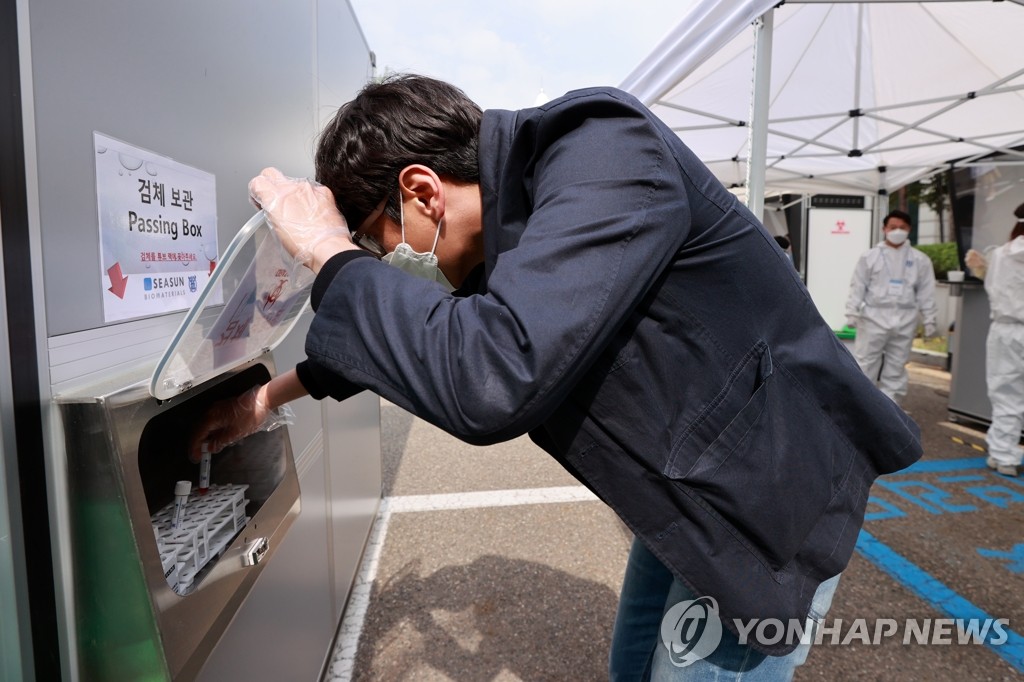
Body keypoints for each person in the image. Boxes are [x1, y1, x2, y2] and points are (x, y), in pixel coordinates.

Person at [193, 75, 922, 680]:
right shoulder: (519, 227)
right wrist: (268, 395)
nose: (394, 267)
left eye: (385, 248)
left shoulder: (604, 150)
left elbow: (490, 374)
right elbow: (435, 333)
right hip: (691, 499)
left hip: (767, 497)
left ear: (421, 190)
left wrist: (326, 247)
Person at [845, 210, 939, 405]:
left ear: (909, 230)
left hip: (905, 316)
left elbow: (926, 290)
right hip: (873, 315)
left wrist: (930, 317)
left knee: (896, 367)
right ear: (884, 229)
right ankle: (863, 408)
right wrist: (852, 311)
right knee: (866, 363)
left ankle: (891, 410)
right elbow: (858, 285)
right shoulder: (870, 257)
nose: (897, 231)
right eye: (893, 227)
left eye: (902, 228)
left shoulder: (920, 259)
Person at [965, 206, 1024, 477]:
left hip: (1005, 330)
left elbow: (993, 287)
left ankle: (1003, 455)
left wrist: (983, 270)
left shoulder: (1000, 254)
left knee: (1006, 394)